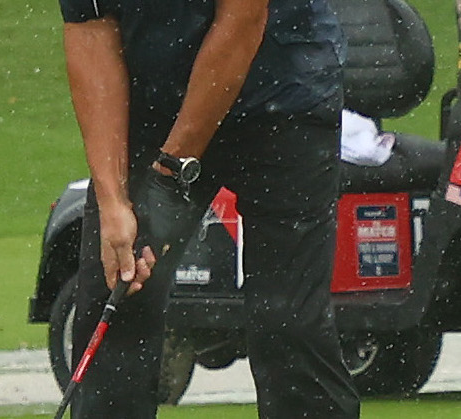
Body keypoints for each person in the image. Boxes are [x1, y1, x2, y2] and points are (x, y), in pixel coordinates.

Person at [59, 0, 361, 418]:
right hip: (156, 106)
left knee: (287, 322)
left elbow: (242, 18)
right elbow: (90, 30)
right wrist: (114, 201)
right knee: (118, 294)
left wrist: (169, 175)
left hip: (284, 96)